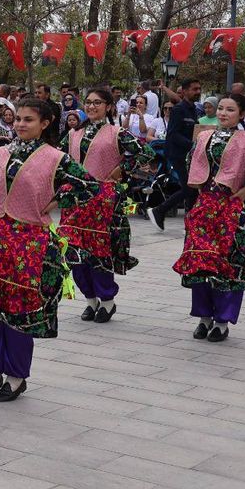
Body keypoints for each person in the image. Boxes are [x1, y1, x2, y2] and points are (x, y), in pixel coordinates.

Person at [0, 99, 100, 402]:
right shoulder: (1, 152)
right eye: (17, 118)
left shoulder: (56, 157)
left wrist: (56, 201)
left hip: (32, 241)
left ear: (45, 123)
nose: (19, 124)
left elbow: (89, 186)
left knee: (20, 310)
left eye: (28, 119)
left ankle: (16, 377)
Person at [174, 93, 245, 342]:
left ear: (242, 114)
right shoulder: (204, 136)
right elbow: (191, 161)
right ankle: (204, 317)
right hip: (203, 208)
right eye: (221, 108)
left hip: (230, 208)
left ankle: (222, 321)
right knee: (200, 262)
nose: (223, 113)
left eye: (230, 110)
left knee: (228, 264)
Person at [58, 88, 153, 323]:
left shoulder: (117, 132)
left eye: (97, 103)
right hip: (75, 201)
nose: (91, 107)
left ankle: (107, 301)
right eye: (88, 103)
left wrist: (121, 169)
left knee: (98, 253)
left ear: (109, 106)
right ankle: (90, 300)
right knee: (74, 252)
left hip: (103, 200)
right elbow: (56, 160)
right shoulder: (72, 134)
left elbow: (145, 153)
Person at [147, 78, 203, 231]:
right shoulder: (178, 110)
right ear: (184, 92)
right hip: (177, 155)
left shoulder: (194, 110)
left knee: (192, 189)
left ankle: (190, 222)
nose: (197, 92)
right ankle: (159, 211)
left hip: (188, 155)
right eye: (194, 89)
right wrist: (192, 144)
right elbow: (173, 134)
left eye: (199, 89)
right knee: (188, 189)